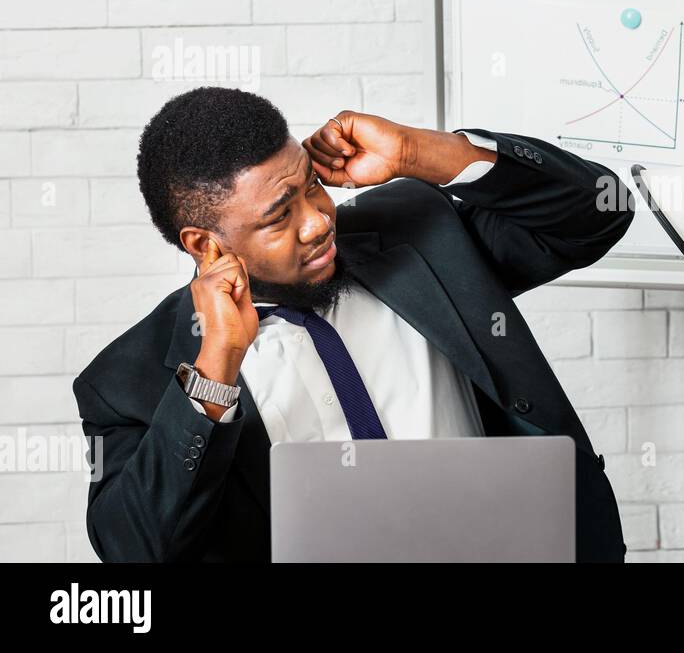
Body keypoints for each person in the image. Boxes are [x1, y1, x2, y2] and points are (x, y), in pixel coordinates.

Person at [74, 87, 634, 562]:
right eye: (279, 216)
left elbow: (597, 216)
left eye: (311, 187)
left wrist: (422, 151)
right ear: (205, 244)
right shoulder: (130, 378)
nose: (319, 222)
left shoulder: (421, 238)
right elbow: (137, 550)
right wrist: (214, 371)